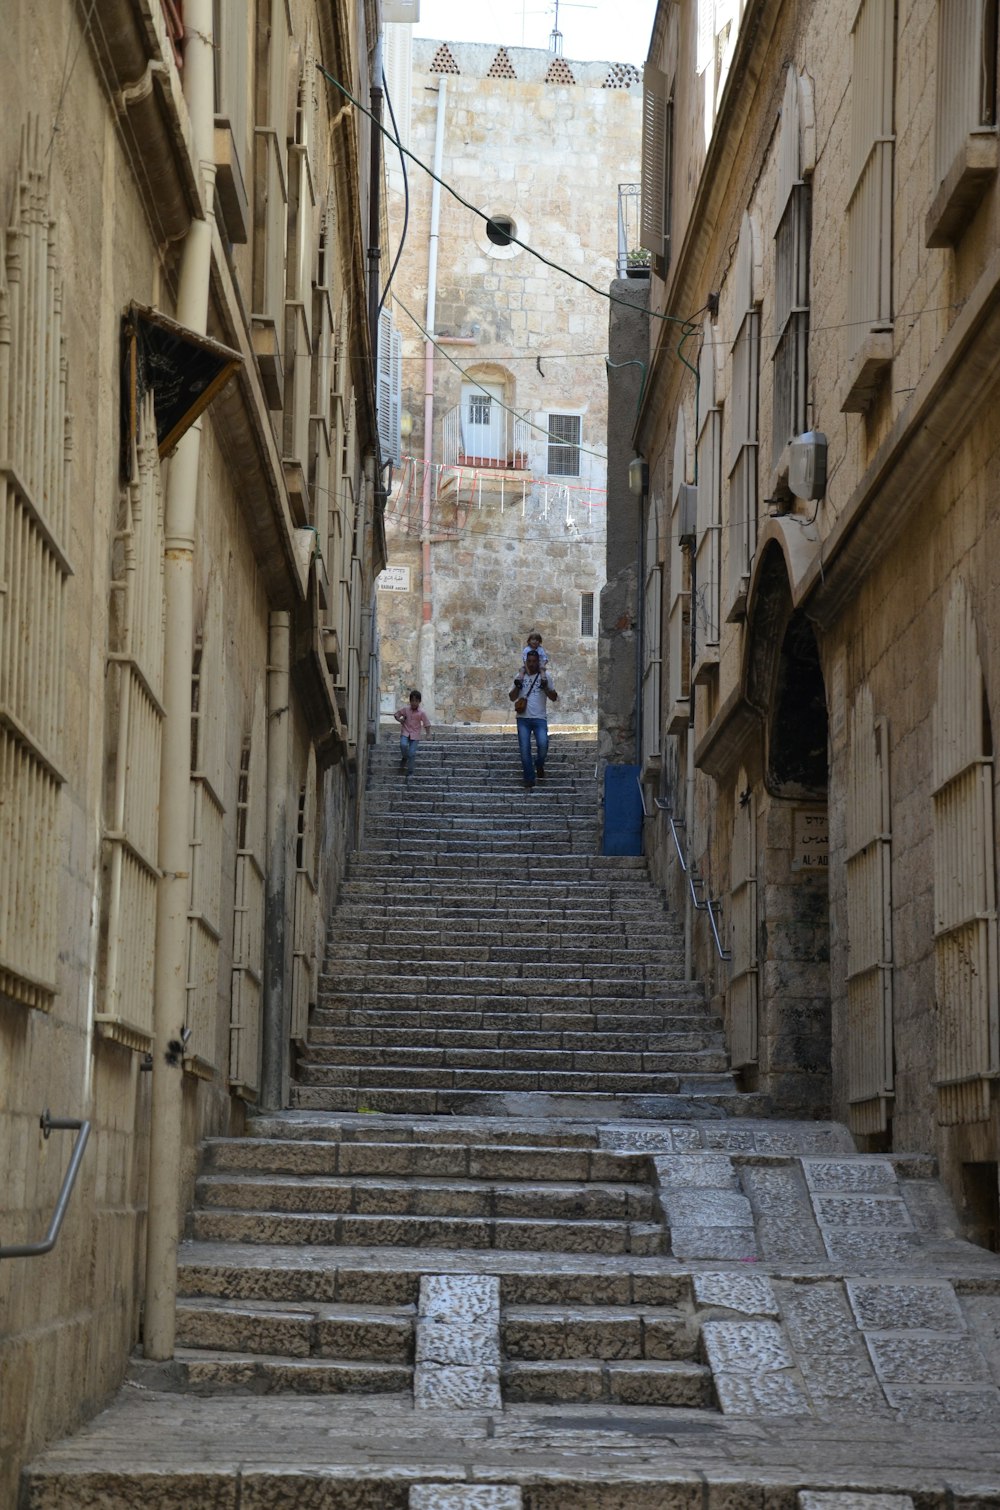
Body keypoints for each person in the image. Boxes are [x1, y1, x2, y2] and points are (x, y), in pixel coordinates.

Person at [509, 649, 557, 789]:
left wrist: (546, 687)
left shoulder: (546, 676)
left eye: (534, 661)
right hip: (523, 718)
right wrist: (517, 685)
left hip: (540, 718)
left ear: (538, 662)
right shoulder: (520, 676)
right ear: (526, 662)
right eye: (529, 661)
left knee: (543, 745)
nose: (531, 664)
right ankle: (529, 778)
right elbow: (512, 697)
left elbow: (554, 697)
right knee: (525, 749)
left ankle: (539, 764)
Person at [394, 689, 431, 781]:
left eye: (416, 701)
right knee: (402, 745)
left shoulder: (421, 712)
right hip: (405, 732)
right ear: (410, 701)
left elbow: (427, 723)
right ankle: (404, 757)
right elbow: (396, 715)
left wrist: (428, 734)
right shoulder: (406, 709)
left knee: (412, 753)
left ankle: (410, 772)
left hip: (415, 735)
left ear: (419, 702)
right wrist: (400, 720)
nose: (414, 703)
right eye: (412, 701)